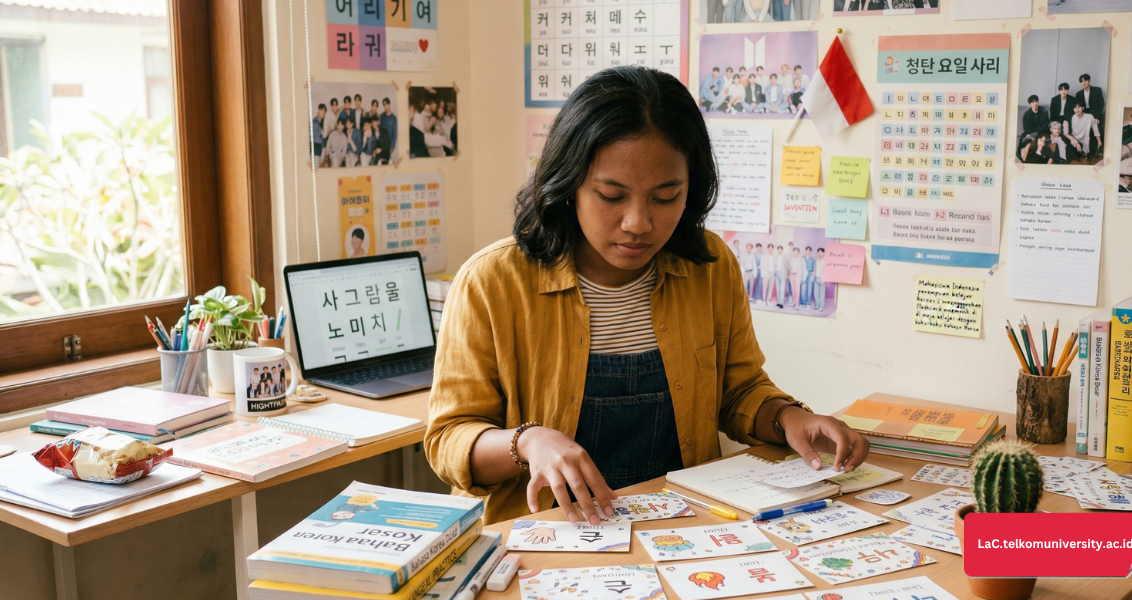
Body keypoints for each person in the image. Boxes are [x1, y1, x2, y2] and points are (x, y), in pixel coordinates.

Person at [425, 66, 869, 525]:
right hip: (552, 536)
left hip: (683, 527)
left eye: (665, 197)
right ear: (569, 183)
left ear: (690, 190)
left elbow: (738, 392)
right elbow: (449, 440)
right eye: (611, 196)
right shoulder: (492, 282)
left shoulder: (709, 266)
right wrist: (528, 442)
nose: (638, 222)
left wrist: (786, 417)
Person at [772, 244, 787, 308]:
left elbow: (786, 266)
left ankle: (781, 303)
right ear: (777, 250)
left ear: (782, 250)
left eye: (780, 249)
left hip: (782, 273)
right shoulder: (775, 257)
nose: (779, 250)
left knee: (782, 288)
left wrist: (786, 274)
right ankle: (778, 302)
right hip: (777, 273)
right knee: (778, 288)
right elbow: (774, 265)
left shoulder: (784, 257)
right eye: (778, 249)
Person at [313, 103, 327, 167]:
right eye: (322, 110)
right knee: (316, 168)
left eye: (324, 111)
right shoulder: (314, 122)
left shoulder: (323, 122)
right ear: (318, 110)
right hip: (315, 148)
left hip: (321, 148)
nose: (323, 113)